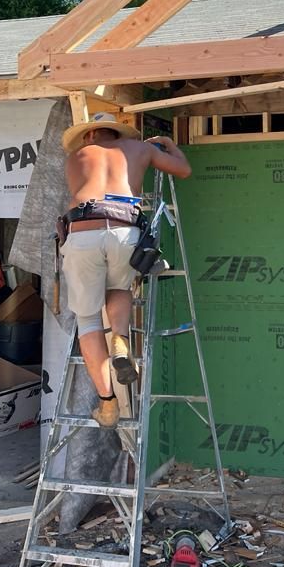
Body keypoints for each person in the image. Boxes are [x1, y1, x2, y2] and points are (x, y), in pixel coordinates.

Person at [60, 112, 192, 427]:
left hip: (83, 232)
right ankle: (120, 339)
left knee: (88, 319)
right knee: (119, 288)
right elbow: (183, 169)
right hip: (124, 231)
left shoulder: (77, 156)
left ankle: (107, 404)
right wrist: (166, 143)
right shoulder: (139, 149)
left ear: (90, 135)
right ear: (118, 134)